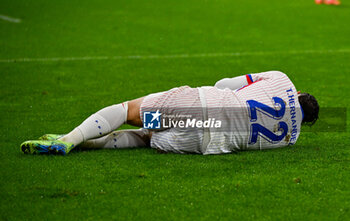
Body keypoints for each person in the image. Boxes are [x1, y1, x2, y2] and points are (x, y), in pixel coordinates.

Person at [20, 71, 319, 155]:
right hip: (204, 142)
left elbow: (223, 84)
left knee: (129, 111)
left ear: (298, 94)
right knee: (144, 136)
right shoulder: (290, 139)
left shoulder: (283, 80)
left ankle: (70, 138)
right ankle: (82, 144)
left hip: (199, 107)